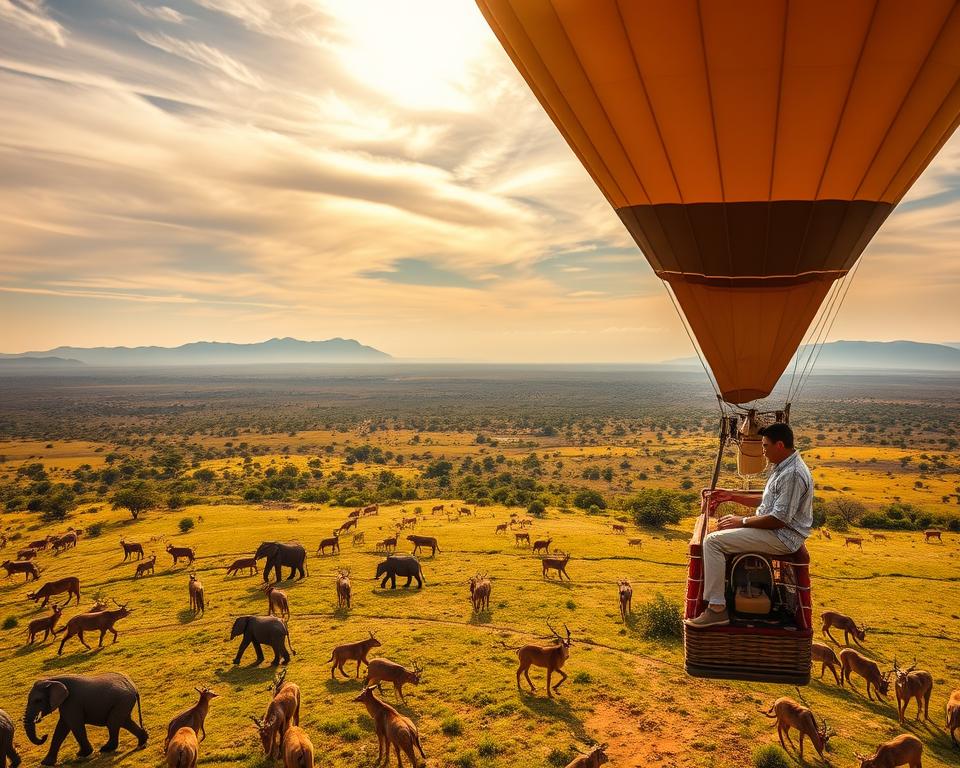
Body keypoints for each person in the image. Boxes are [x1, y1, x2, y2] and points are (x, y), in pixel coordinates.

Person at [685, 422, 813, 628]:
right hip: (777, 531)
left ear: (779, 445)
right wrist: (732, 496)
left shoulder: (793, 474)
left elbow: (779, 519)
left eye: (765, 446)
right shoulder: (784, 466)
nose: (763, 452)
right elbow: (766, 500)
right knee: (723, 529)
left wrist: (742, 521)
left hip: (782, 536)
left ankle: (717, 609)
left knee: (713, 542)